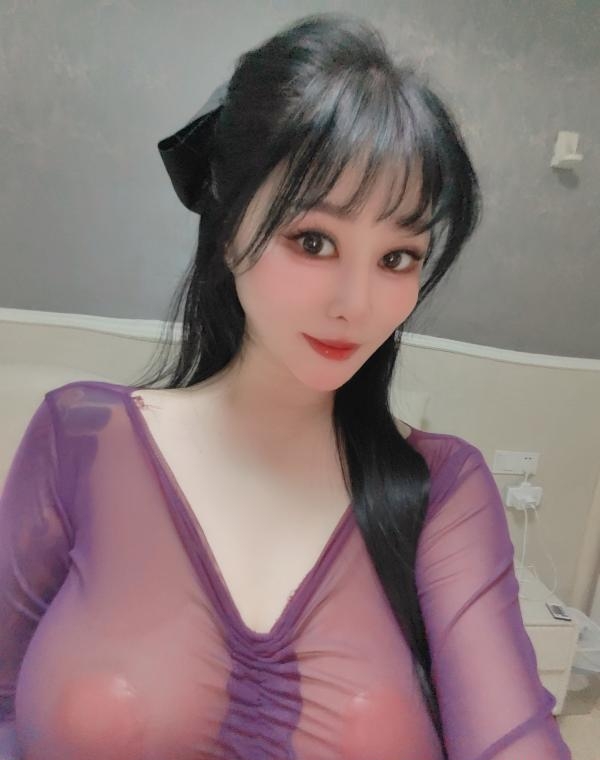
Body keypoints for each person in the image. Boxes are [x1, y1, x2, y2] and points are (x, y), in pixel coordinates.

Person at [0, 12, 572, 760]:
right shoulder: (81, 438)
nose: (356, 304)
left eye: (397, 258)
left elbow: (513, 739)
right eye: (313, 240)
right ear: (228, 224)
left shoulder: (443, 490)